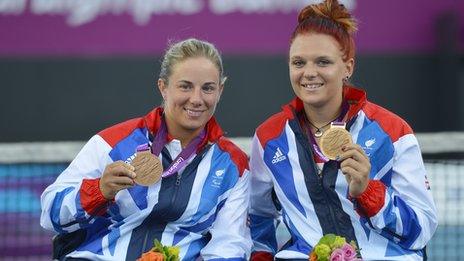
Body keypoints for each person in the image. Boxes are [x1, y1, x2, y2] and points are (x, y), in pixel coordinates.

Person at [248, 1, 437, 260]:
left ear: (347, 67)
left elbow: (423, 229)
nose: (309, 73)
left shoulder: (392, 132)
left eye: (323, 62)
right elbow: (259, 217)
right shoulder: (269, 138)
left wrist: (369, 192)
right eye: (298, 62)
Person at [40, 38, 252, 260]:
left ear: (220, 90)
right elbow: (49, 214)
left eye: (207, 88)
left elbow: (229, 245)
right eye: (185, 86)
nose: (197, 99)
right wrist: (99, 190)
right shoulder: (114, 143)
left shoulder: (232, 165)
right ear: (163, 87)